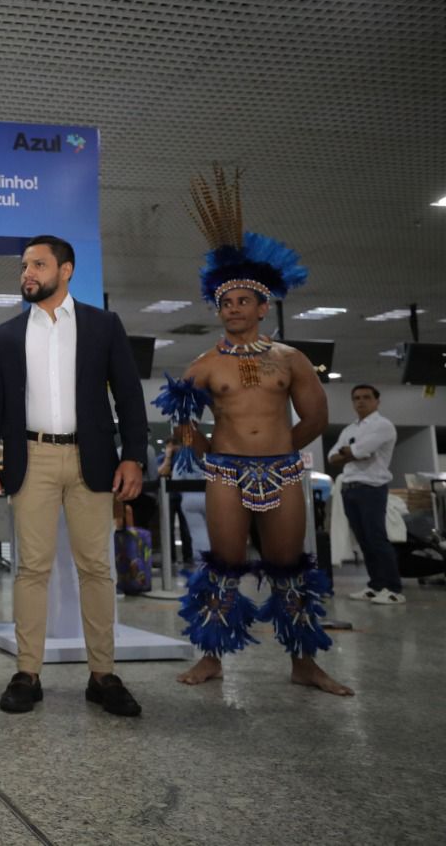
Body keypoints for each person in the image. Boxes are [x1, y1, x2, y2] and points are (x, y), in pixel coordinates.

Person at [158, 164, 352, 695]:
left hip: (284, 471)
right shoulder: (204, 363)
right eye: (225, 302)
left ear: (264, 306)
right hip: (225, 472)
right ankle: (211, 659)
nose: (233, 308)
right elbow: (181, 416)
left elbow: (316, 417)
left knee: (290, 565)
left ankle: (305, 663)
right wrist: (198, 445)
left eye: (243, 301)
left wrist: (285, 451)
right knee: (222, 564)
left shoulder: (291, 359)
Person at [0, 234, 147, 718]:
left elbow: (129, 396)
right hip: (33, 459)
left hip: (92, 460)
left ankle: (103, 675)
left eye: (38, 264)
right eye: (25, 265)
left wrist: (133, 456)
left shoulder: (102, 325)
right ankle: (27, 674)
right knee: (32, 568)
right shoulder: (8, 334)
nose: (27, 273)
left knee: (97, 568)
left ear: (65, 270)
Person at [329, 384, 403, 605]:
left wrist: (351, 452)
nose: (360, 401)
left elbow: (361, 453)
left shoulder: (383, 426)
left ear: (377, 401)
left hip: (371, 488)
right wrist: (350, 453)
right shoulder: (349, 430)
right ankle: (376, 585)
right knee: (363, 541)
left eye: (366, 397)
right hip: (350, 489)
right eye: (356, 398)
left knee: (376, 538)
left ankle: (393, 588)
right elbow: (333, 456)